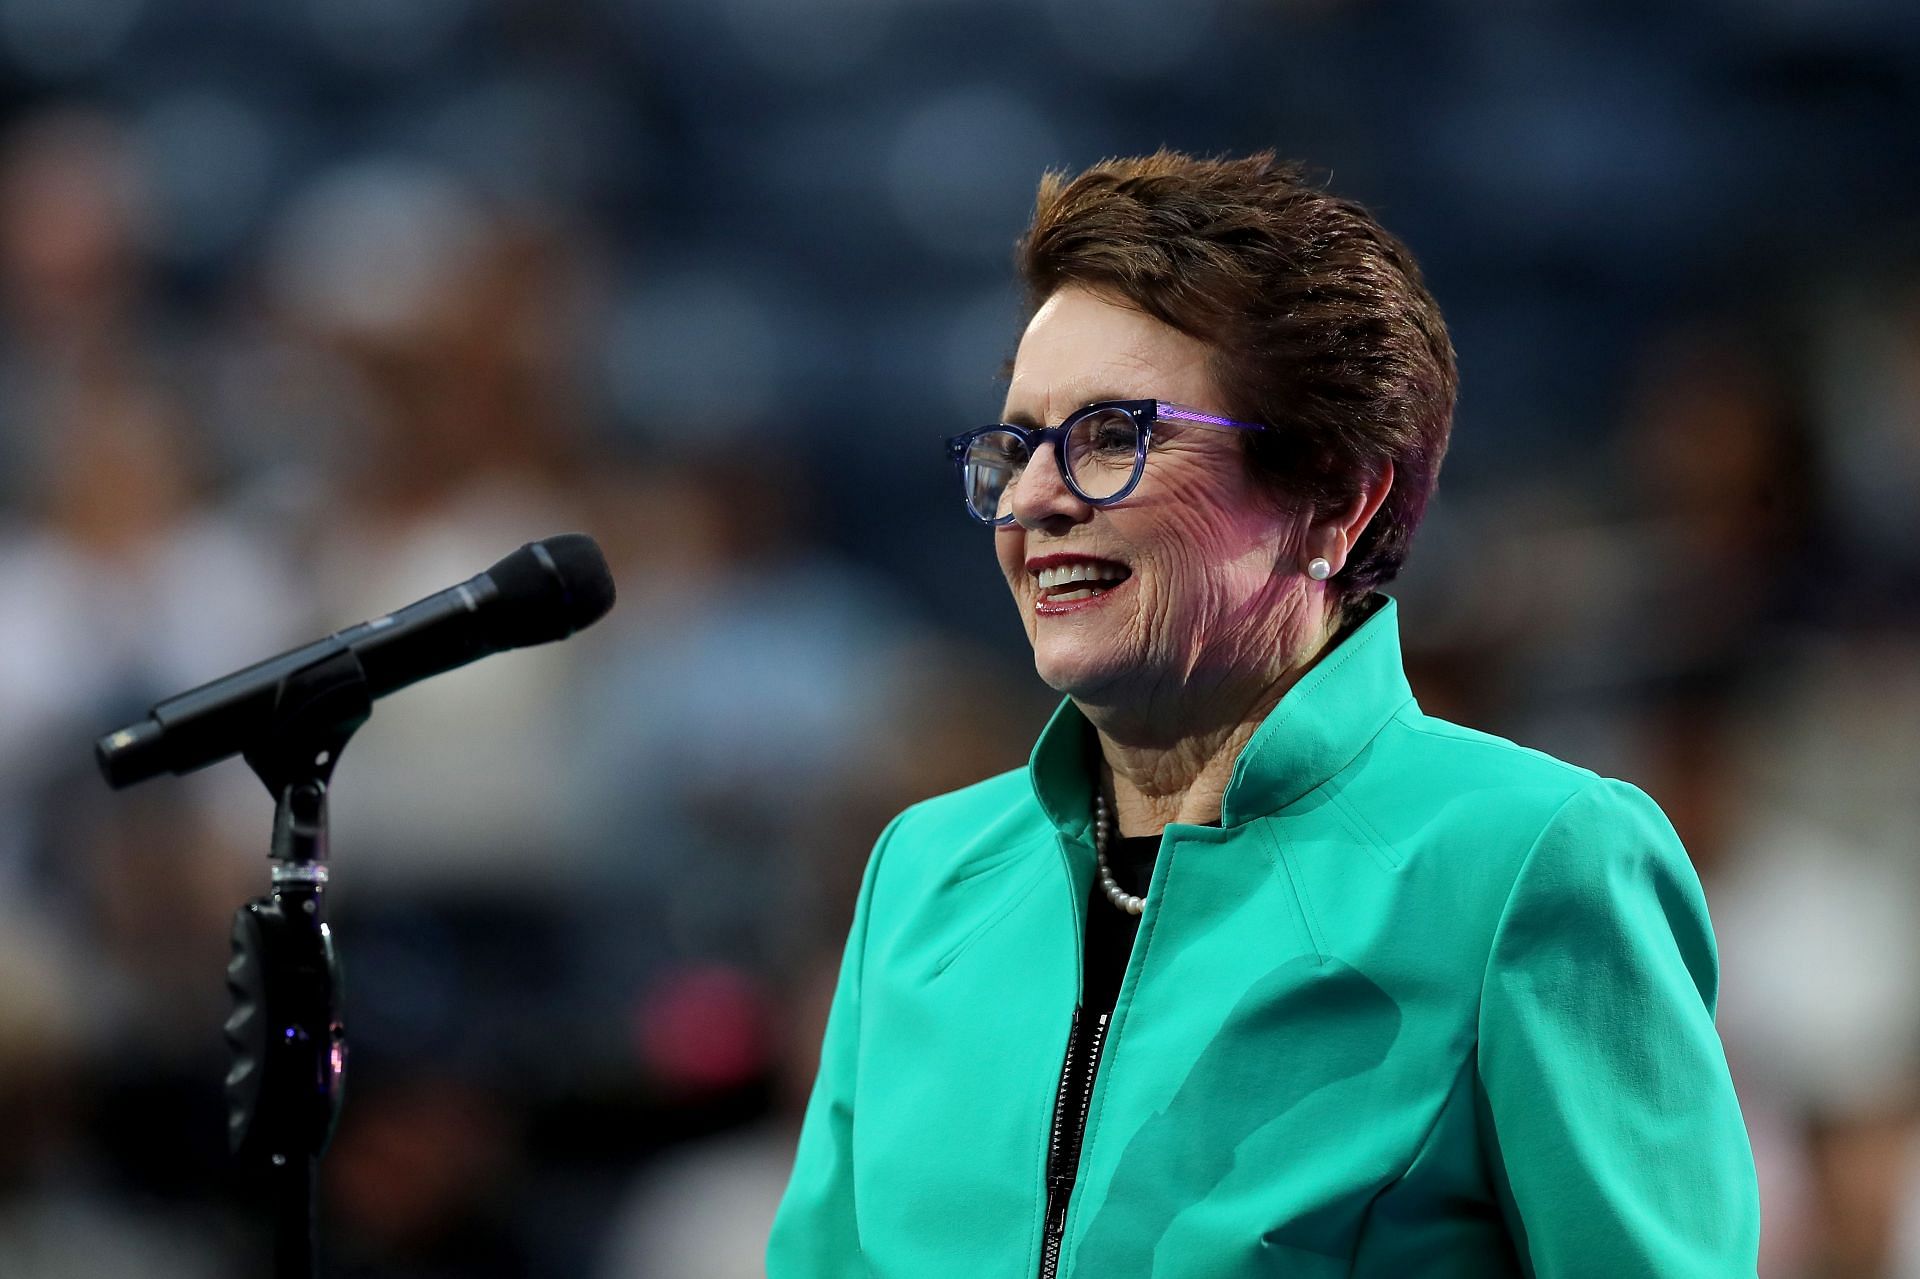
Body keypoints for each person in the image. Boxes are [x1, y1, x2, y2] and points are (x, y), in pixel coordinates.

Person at [766, 151, 1760, 1278]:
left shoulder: (1530, 862)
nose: (1036, 499)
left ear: (1335, 492)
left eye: (1109, 438)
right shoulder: (923, 878)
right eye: (1019, 446)